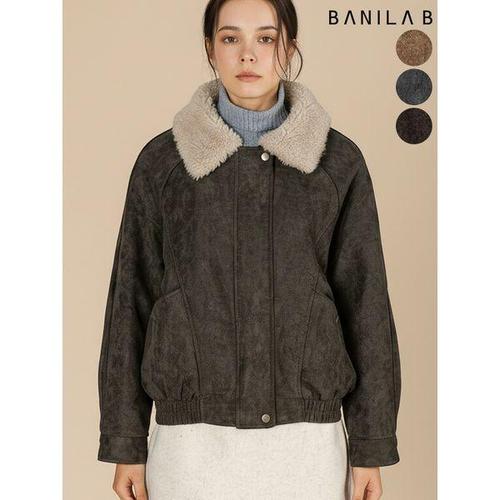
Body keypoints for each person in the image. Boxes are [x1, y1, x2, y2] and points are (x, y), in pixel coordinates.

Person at [96, 0, 402, 499]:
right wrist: (126, 441)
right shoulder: (163, 164)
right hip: (191, 447)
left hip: (306, 446)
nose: (248, 54)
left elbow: (366, 308)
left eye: (265, 37)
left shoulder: (338, 163)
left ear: (290, 47)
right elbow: (130, 302)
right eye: (230, 37)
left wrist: (370, 444)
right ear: (210, 49)